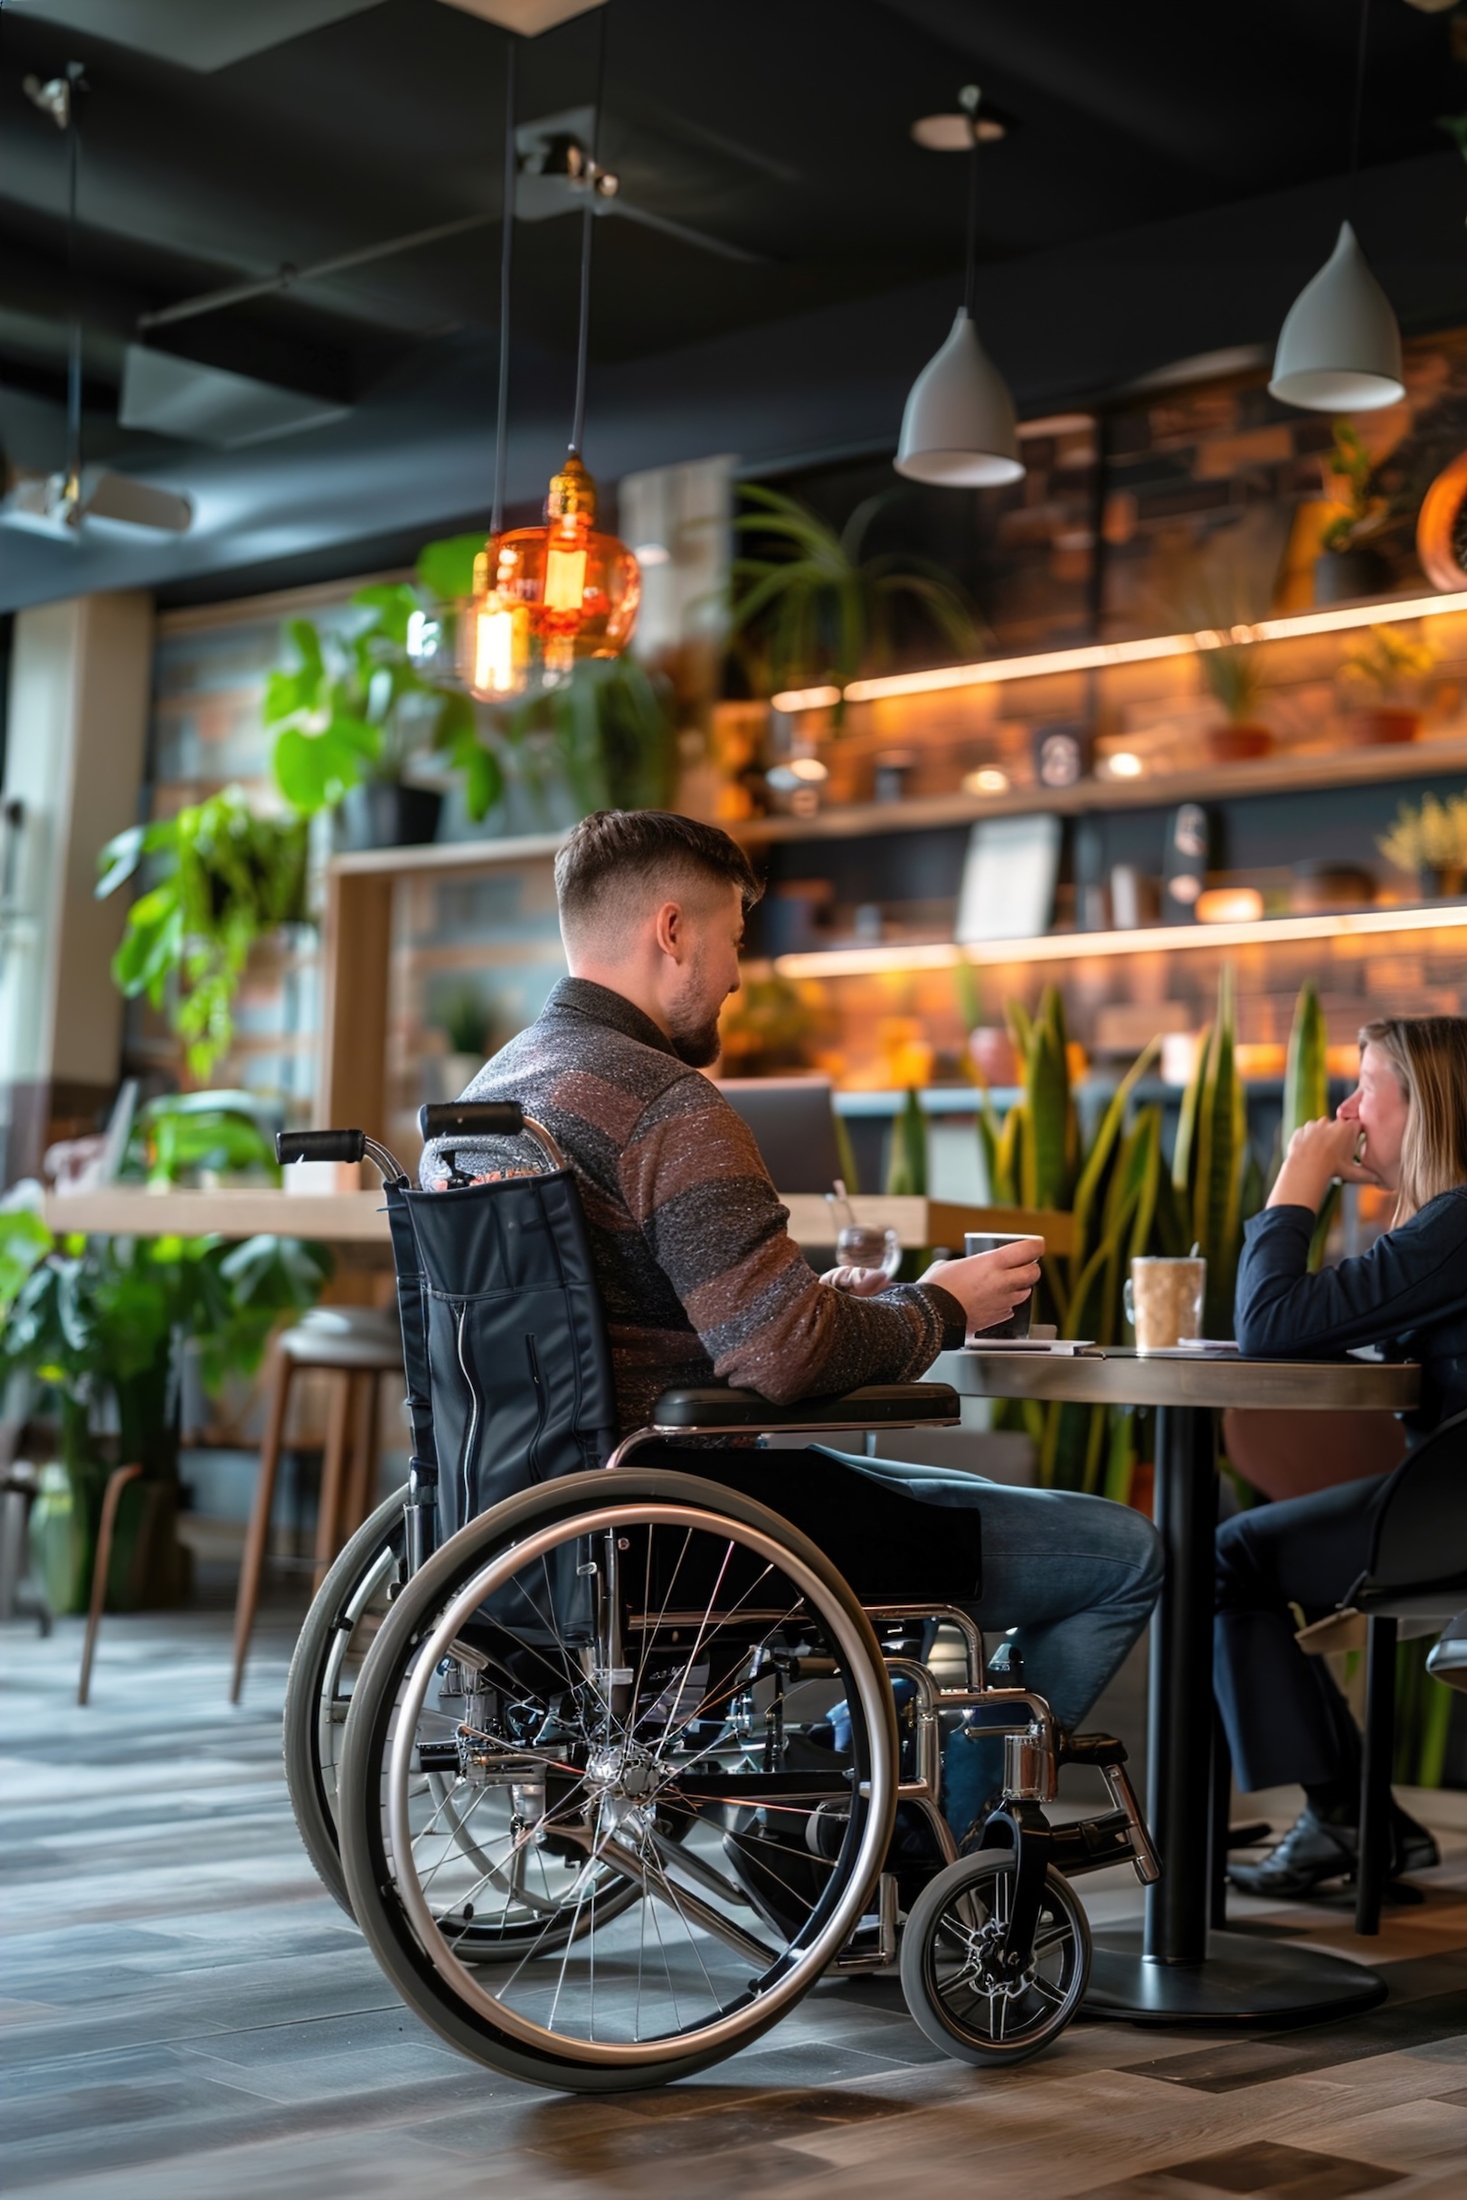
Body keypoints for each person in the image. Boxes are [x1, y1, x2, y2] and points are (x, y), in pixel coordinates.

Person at [427, 809, 1162, 1836]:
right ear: (672, 930)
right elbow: (780, 1357)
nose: (737, 973)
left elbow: (682, 1321)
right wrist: (943, 1304)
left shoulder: (493, 1098)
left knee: (949, 1499)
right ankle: (905, 1844)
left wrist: (820, 1308)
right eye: (733, 936)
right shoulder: (667, 1106)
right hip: (697, 1524)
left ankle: (831, 1802)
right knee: (1123, 1550)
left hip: (527, 1516)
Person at [1217, 1015, 1467, 1897]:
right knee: (1241, 1547)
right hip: (1443, 1500)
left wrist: (1298, 1176)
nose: (1346, 1109)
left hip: (1452, 1516)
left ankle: (1344, 1816)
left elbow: (1269, 1325)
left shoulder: (1458, 1221)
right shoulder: (1442, 1226)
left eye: (1366, 1087)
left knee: (1229, 1555)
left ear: (1426, 1107)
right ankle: (1352, 1818)